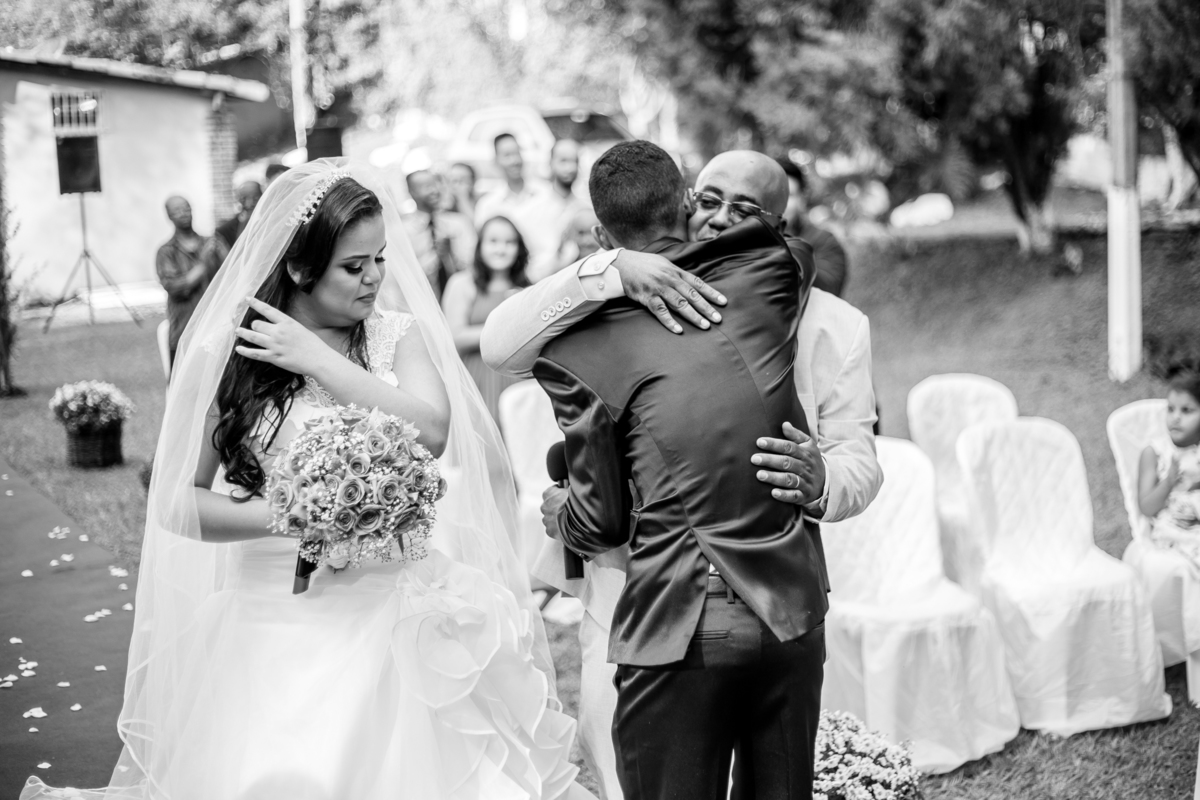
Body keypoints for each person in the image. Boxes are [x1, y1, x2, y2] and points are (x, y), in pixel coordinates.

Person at [21, 162, 593, 800]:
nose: (376, 276)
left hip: (397, 612)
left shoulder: (395, 337)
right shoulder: (228, 355)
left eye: (379, 258)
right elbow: (175, 504)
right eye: (355, 266)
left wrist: (315, 356)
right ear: (298, 267)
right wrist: (297, 515)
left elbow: (431, 430)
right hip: (272, 620)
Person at [482, 149, 882, 800]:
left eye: (746, 209)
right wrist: (612, 267)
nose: (722, 218)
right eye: (709, 199)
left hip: (762, 602)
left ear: (780, 224)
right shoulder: (614, 296)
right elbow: (500, 341)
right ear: (683, 203)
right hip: (631, 591)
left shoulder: (835, 324)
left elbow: (859, 461)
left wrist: (824, 480)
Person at [442, 216, 532, 422]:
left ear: (519, 248)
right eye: (493, 241)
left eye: (509, 242)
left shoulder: (528, 288)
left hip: (519, 381)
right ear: (480, 245)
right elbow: (456, 336)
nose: (501, 249)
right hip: (477, 379)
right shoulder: (462, 283)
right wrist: (504, 328)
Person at [1139, 371, 1200, 568]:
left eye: (1187, 411)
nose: (1175, 418)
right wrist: (1169, 481)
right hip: (1172, 532)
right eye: (1171, 409)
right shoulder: (1155, 453)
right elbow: (1146, 507)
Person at [155, 196, 217, 368]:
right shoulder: (166, 252)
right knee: (184, 390)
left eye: (186, 208)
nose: (183, 213)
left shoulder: (211, 243)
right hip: (184, 332)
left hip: (215, 332)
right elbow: (176, 289)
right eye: (177, 210)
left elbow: (232, 276)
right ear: (169, 216)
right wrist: (203, 264)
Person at [778, 157, 848, 298]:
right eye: (774, 194)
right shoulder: (741, 235)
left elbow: (829, 288)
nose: (779, 203)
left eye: (789, 195)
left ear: (802, 199)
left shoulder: (824, 241)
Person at [401, 169, 476, 300]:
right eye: (427, 187)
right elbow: (405, 278)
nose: (434, 191)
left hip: (462, 299)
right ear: (412, 192)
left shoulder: (459, 223)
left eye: (436, 184)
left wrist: (450, 255)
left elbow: (473, 265)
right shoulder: (404, 233)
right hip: (424, 303)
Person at [524, 139, 590, 281]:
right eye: (563, 161)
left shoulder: (586, 210)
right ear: (551, 163)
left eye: (574, 161)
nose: (570, 168)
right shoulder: (532, 210)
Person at [216, 181, 264, 251]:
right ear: (238, 199)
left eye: (255, 198)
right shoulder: (225, 230)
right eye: (244, 198)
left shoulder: (268, 223)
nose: (249, 204)